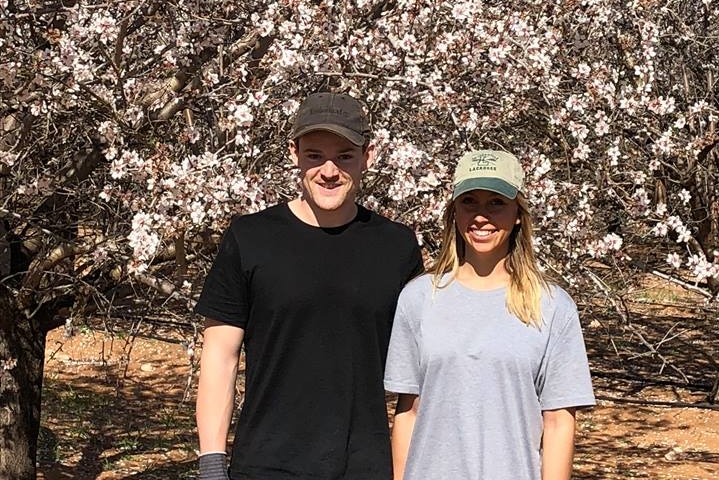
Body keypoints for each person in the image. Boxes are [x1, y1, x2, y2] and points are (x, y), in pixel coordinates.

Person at [193, 92, 424, 480]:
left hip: (365, 467)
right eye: (315, 155)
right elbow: (220, 355)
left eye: (344, 156)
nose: (329, 170)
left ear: (368, 156)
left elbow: (414, 379)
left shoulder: (397, 246)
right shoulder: (250, 238)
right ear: (293, 153)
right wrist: (212, 465)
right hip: (265, 465)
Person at [384, 149, 595, 480]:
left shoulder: (552, 306)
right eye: (470, 202)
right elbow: (409, 413)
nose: (481, 216)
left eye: (496, 202)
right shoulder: (419, 298)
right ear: (454, 212)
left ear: (517, 215)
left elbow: (558, 422)